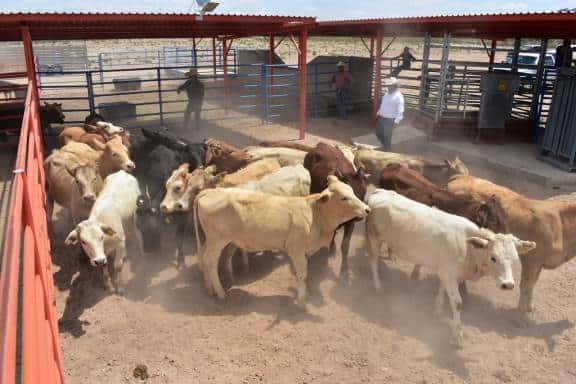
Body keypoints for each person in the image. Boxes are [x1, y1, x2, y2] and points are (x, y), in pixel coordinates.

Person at [376, 77, 404, 151]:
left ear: (395, 86)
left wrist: (396, 121)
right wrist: (379, 112)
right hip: (382, 118)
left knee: (387, 137)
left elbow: (400, 110)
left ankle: (387, 150)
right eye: (387, 85)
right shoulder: (386, 94)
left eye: (389, 85)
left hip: (389, 120)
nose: (388, 87)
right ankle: (385, 146)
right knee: (378, 133)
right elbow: (383, 105)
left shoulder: (399, 96)